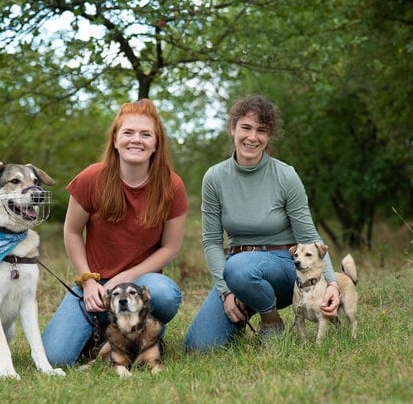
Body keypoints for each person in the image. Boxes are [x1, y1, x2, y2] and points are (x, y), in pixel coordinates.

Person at [183, 94, 340, 353]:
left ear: (269, 136)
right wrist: (226, 293)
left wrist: (332, 283)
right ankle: (243, 314)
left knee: (239, 268)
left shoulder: (286, 175)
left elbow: (309, 234)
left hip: (283, 269)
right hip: (236, 274)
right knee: (198, 347)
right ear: (233, 128)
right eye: (246, 127)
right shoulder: (214, 178)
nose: (252, 137)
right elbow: (211, 242)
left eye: (261, 130)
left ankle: (272, 323)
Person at [42, 98, 188, 366]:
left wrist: (122, 279)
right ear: (115, 139)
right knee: (56, 357)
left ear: (156, 144)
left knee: (166, 295)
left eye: (146, 134)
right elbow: (72, 232)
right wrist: (87, 282)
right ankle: (106, 334)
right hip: (95, 284)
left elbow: (170, 247)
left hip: (142, 283)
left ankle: (145, 336)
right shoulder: (90, 178)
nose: (137, 140)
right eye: (128, 133)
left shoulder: (171, 185)